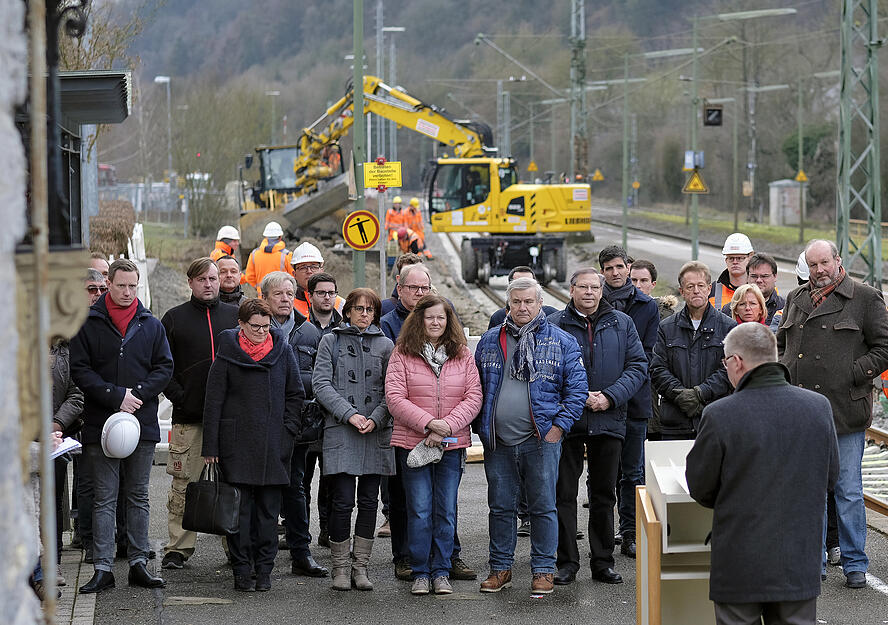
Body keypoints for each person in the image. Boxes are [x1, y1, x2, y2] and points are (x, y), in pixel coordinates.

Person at [687, 322, 839, 625]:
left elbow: (700, 486)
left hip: (739, 557)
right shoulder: (818, 407)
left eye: (725, 361)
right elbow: (831, 477)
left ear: (736, 362)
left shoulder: (719, 414)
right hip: (799, 556)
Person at [777, 239, 888, 589]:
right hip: (803, 411)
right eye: (813, 265)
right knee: (810, 490)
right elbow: (783, 345)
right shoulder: (795, 299)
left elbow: (884, 347)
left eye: (825, 262)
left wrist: (854, 372)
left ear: (838, 261)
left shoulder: (866, 298)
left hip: (845, 410)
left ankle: (855, 563)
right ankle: (815, 560)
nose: (820, 271)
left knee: (849, 491)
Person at [474, 277, 587, 595]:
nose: (522, 307)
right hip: (498, 441)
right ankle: (500, 569)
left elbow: (577, 390)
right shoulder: (489, 341)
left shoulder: (562, 341)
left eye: (529, 302)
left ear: (540, 304)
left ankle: (543, 570)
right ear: (507, 304)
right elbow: (476, 387)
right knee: (500, 507)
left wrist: (558, 428)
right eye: (516, 301)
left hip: (541, 440)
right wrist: (481, 427)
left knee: (542, 507)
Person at [70, 259, 173, 594]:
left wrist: (138, 395)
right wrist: (115, 396)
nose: (128, 292)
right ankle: (103, 567)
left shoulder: (151, 324)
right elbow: (80, 369)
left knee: (138, 495)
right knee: (104, 498)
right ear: (109, 284)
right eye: (121, 286)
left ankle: (139, 563)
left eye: (133, 286)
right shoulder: (87, 323)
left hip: (141, 423)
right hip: (101, 424)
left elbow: (164, 368)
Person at [548, 269, 647, 586]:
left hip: (609, 420)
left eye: (595, 287)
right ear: (571, 289)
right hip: (567, 423)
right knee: (563, 494)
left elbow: (637, 366)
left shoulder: (622, 323)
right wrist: (575, 402)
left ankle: (602, 562)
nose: (589, 292)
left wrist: (610, 397)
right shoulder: (555, 325)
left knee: (604, 495)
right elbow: (546, 374)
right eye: (583, 287)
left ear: (602, 291)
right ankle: (567, 563)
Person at [202, 298, 305, 592]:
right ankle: (241, 570)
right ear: (241, 325)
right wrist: (211, 447)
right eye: (255, 327)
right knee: (240, 513)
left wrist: (288, 431)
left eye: (266, 326)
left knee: (269, 514)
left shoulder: (282, 351)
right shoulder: (227, 353)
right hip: (236, 445)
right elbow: (214, 402)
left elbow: (295, 394)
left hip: (274, 444)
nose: (262, 332)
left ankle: (264, 571)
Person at [386, 294, 482, 596]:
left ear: (448, 320)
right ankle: (420, 572)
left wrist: (446, 427)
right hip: (414, 445)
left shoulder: (463, 354)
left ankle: (441, 571)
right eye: (430, 317)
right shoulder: (402, 353)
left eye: (441, 317)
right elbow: (395, 398)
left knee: (446, 510)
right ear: (419, 320)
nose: (436, 322)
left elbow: (474, 396)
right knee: (419, 510)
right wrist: (429, 424)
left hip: (452, 446)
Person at [312, 288, 394, 591]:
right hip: (342, 428)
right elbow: (321, 384)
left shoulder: (386, 345)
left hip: (375, 430)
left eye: (369, 309)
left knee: (370, 501)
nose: (363, 314)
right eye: (358, 308)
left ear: (375, 313)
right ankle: (340, 568)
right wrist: (350, 415)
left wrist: (375, 417)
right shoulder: (330, 341)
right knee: (343, 500)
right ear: (347, 311)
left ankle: (361, 567)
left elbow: (393, 388)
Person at [159, 258, 239, 571]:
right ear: (190, 283)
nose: (208, 284)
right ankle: (178, 548)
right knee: (184, 485)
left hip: (229, 421)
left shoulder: (235, 317)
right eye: (201, 279)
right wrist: (180, 395)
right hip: (188, 419)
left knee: (231, 485)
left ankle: (234, 545)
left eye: (213, 278)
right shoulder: (174, 319)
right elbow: (162, 365)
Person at [258, 271, 328, 578]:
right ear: (265, 298)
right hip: (261, 426)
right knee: (262, 492)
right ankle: (262, 556)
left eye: (289, 293)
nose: (286, 299)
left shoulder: (310, 331)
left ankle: (302, 553)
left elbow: (319, 377)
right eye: (278, 294)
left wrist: (288, 382)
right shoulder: (254, 330)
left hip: (296, 426)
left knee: (297, 489)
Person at [598, 246, 658, 559]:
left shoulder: (647, 306)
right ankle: (603, 536)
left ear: (628, 266)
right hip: (602, 403)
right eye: (608, 268)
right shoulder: (595, 301)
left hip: (634, 402)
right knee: (603, 474)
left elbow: (646, 355)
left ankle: (630, 533)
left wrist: (619, 386)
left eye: (620, 267)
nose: (615, 273)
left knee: (633, 474)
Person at [651, 261, 736, 439]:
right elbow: (658, 369)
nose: (696, 290)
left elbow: (730, 370)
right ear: (681, 291)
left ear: (709, 289)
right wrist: (681, 396)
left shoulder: (728, 326)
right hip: (675, 422)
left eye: (700, 285)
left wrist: (700, 393)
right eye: (690, 286)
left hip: (715, 420)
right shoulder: (666, 327)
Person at [721, 253, 784, 327]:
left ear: (775, 276)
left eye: (764, 276)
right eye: (754, 276)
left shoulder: (784, 308)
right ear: (747, 276)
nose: (759, 280)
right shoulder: (729, 309)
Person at [488, 266, 558, 329]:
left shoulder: (553, 316)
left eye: (528, 283)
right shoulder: (498, 318)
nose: (522, 308)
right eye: (518, 283)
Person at [709, 232, 754, 310]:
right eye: (731, 258)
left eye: (740, 258)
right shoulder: (712, 290)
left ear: (750, 258)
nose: (735, 262)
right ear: (726, 260)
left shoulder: (761, 289)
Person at [245, 221, 293, 292]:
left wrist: (259, 288)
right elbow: (293, 277)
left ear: (266, 237)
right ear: (280, 237)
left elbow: (249, 277)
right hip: (281, 297)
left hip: (262, 297)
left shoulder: (254, 254)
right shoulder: (287, 255)